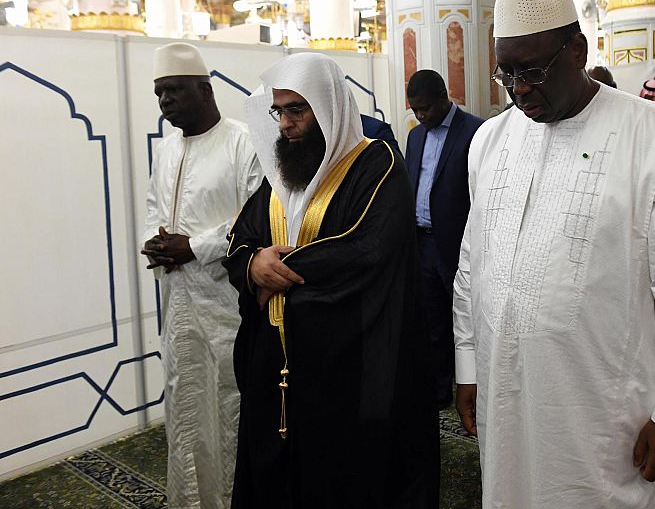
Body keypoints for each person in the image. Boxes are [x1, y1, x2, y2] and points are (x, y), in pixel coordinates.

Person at [452, 0, 655, 508]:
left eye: (532, 69)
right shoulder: (490, 140)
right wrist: (469, 366)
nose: (520, 88)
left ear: (577, 49)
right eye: (507, 74)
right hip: (507, 393)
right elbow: (471, 266)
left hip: (606, 406)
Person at [222, 53, 438, 508]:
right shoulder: (282, 175)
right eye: (279, 111)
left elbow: (363, 251)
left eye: (296, 110)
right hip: (278, 366)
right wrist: (253, 265)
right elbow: (241, 239)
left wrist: (276, 274)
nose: (285, 124)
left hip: (348, 368)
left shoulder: (374, 165)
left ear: (328, 108)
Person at [142, 42, 262, 508]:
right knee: (185, 404)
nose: (165, 101)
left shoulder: (243, 143)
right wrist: (157, 241)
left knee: (229, 409)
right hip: (178, 305)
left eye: (173, 90)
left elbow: (255, 221)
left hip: (228, 306)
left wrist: (193, 246)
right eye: (159, 93)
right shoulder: (166, 149)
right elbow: (156, 206)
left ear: (205, 90)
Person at [404, 69, 484, 408]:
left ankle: (477, 389)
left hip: (459, 245)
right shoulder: (415, 136)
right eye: (415, 111)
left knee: (469, 321)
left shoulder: (477, 131)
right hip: (423, 244)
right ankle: (439, 392)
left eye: (425, 109)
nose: (421, 116)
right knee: (433, 322)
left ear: (443, 97)